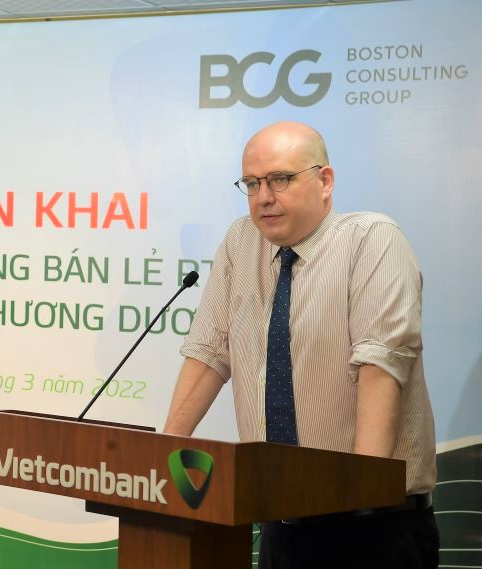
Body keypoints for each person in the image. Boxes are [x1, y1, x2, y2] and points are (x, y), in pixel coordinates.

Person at [163, 121, 439, 569]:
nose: (263, 197)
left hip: (372, 526)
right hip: (279, 520)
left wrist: (360, 494)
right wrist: (161, 458)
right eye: (252, 184)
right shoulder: (241, 242)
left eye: (280, 179)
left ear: (325, 181)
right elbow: (210, 350)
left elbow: (381, 364)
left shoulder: (371, 239)